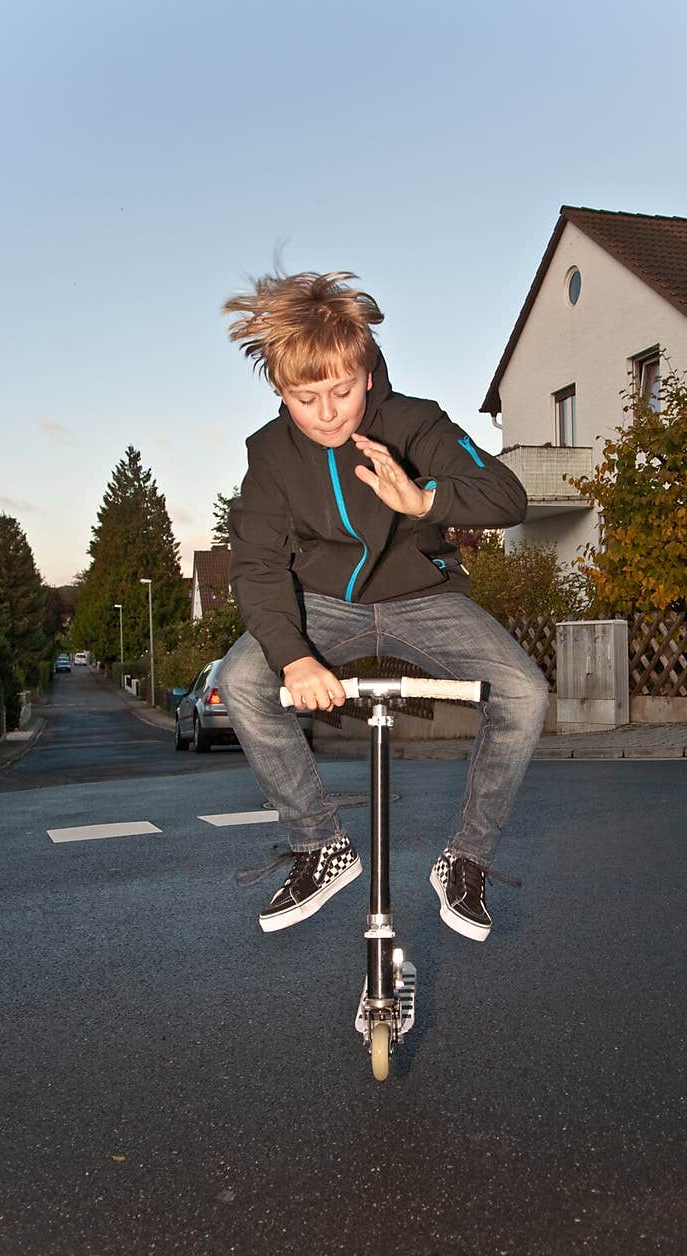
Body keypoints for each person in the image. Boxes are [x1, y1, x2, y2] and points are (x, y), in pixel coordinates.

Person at [218, 270, 548, 942]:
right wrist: (294, 658)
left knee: (524, 692)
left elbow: (507, 496)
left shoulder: (413, 422)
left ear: (367, 373)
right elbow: (255, 565)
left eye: (341, 390)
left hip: (423, 596)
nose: (328, 412)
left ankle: (468, 858)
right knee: (242, 681)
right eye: (306, 398)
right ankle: (320, 844)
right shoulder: (271, 454)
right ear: (282, 392)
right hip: (323, 604)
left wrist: (427, 501)